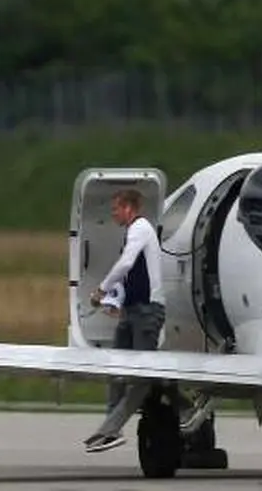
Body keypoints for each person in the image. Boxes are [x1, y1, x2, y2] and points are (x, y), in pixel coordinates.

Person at [83, 189, 164, 454]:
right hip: (132, 311)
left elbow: (125, 264)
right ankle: (111, 429)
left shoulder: (140, 228)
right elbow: (130, 275)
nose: (113, 214)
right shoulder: (133, 232)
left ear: (129, 208)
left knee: (142, 378)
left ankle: (110, 429)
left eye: (116, 209)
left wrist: (101, 290)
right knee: (116, 368)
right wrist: (115, 302)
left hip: (147, 312)